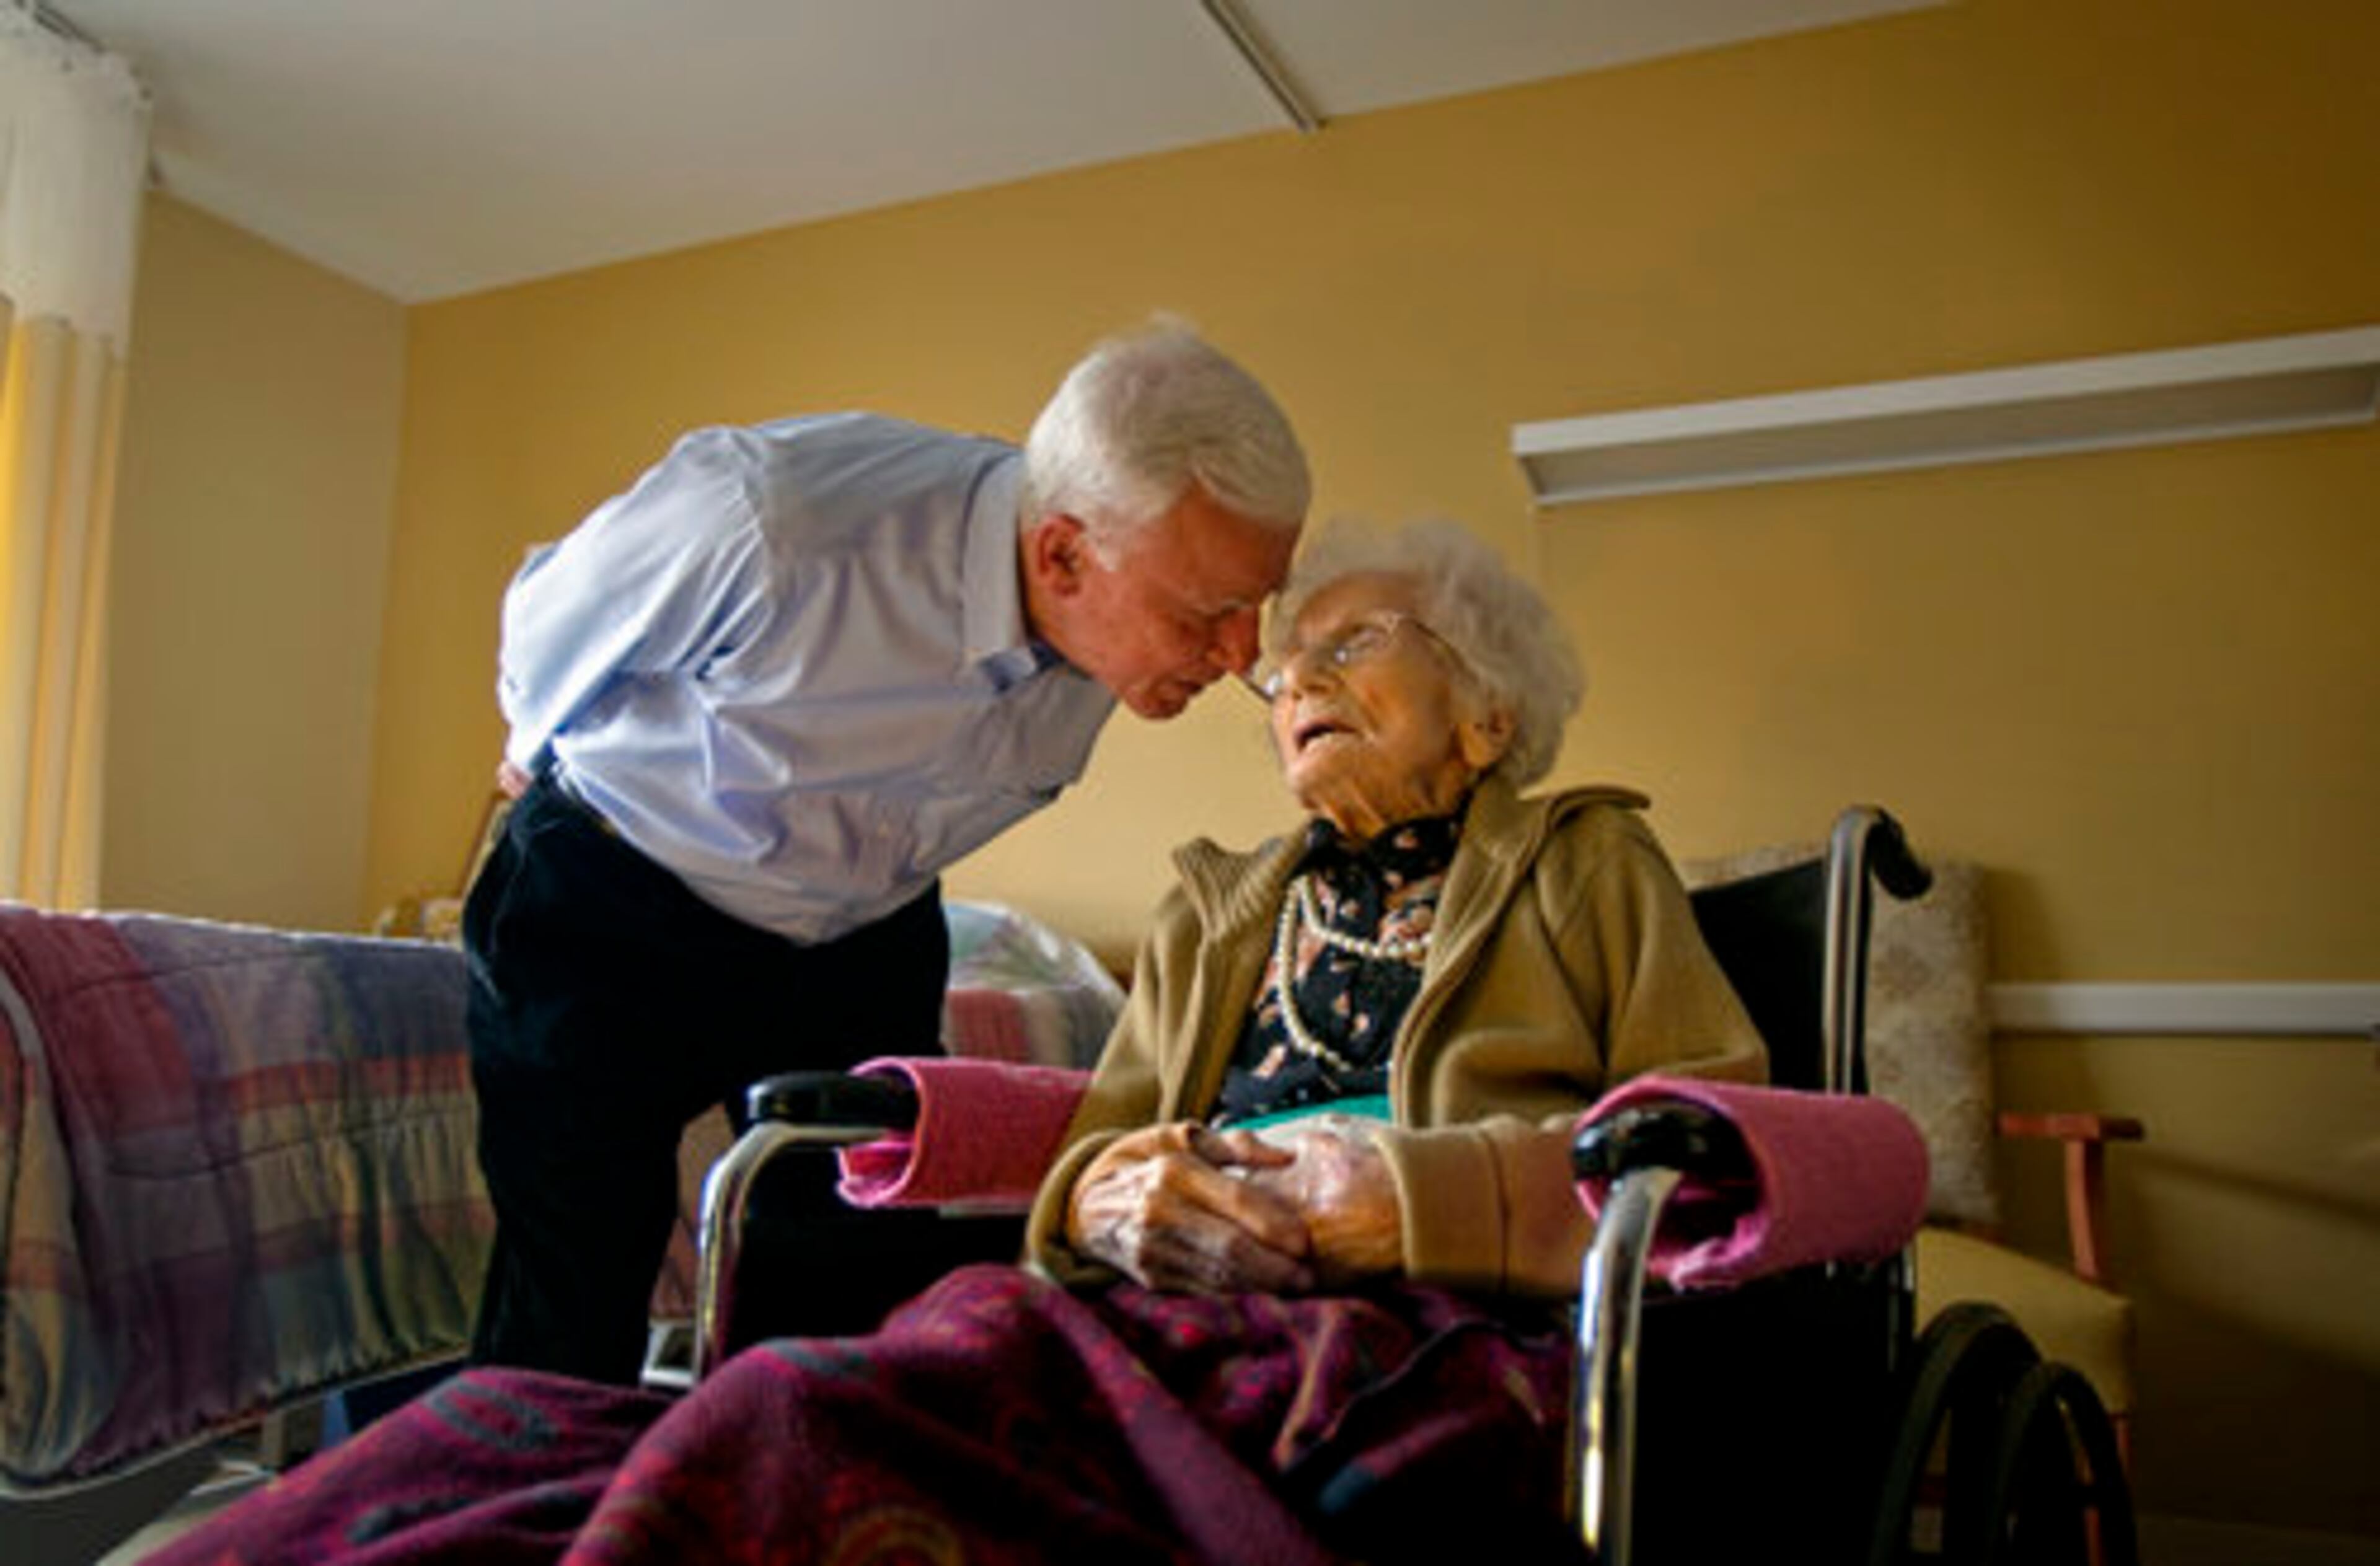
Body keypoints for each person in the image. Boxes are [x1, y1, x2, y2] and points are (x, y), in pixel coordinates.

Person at [149, 519, 1763, 1565]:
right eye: (1279, 672)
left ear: (1487, 707)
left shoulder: (1585, 867)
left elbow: (1722, 1152)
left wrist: (1397, 1200)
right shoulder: (1222, 905)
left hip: (1418, 1333)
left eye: (1348, 649)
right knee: (539, 1435)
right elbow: (1095, 1156)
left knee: (795, 1422)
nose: (1287, 685)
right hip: (1155, 1309)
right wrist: (1114, 1197)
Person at [464, 319, 1310, 1384]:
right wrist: (531, 748)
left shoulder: (1117, 611)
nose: (1244, 655)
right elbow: (550, 616)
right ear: (1061, 554)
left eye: (1256, 608)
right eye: (1213, 613)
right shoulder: (778, 520)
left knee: (843, 1295)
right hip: (613, 898)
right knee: (574, 1288)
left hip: (861, 935)